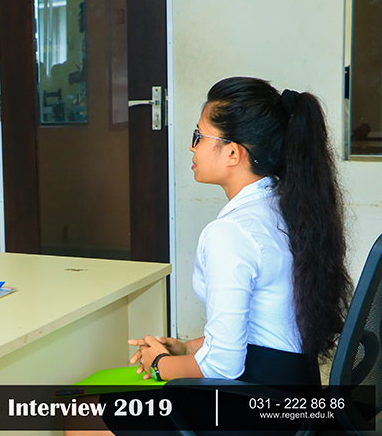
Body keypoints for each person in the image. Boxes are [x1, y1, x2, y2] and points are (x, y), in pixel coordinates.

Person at [130, 76, 352, 385]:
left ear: (233, 153)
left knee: (91, 407)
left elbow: (221, 368)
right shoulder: (287, 208)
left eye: (199, 136)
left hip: (257, 400)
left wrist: (158, 364)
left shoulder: (229, 235)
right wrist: (188, 348)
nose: (192, 147)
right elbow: (266, 330)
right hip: (296, 387)